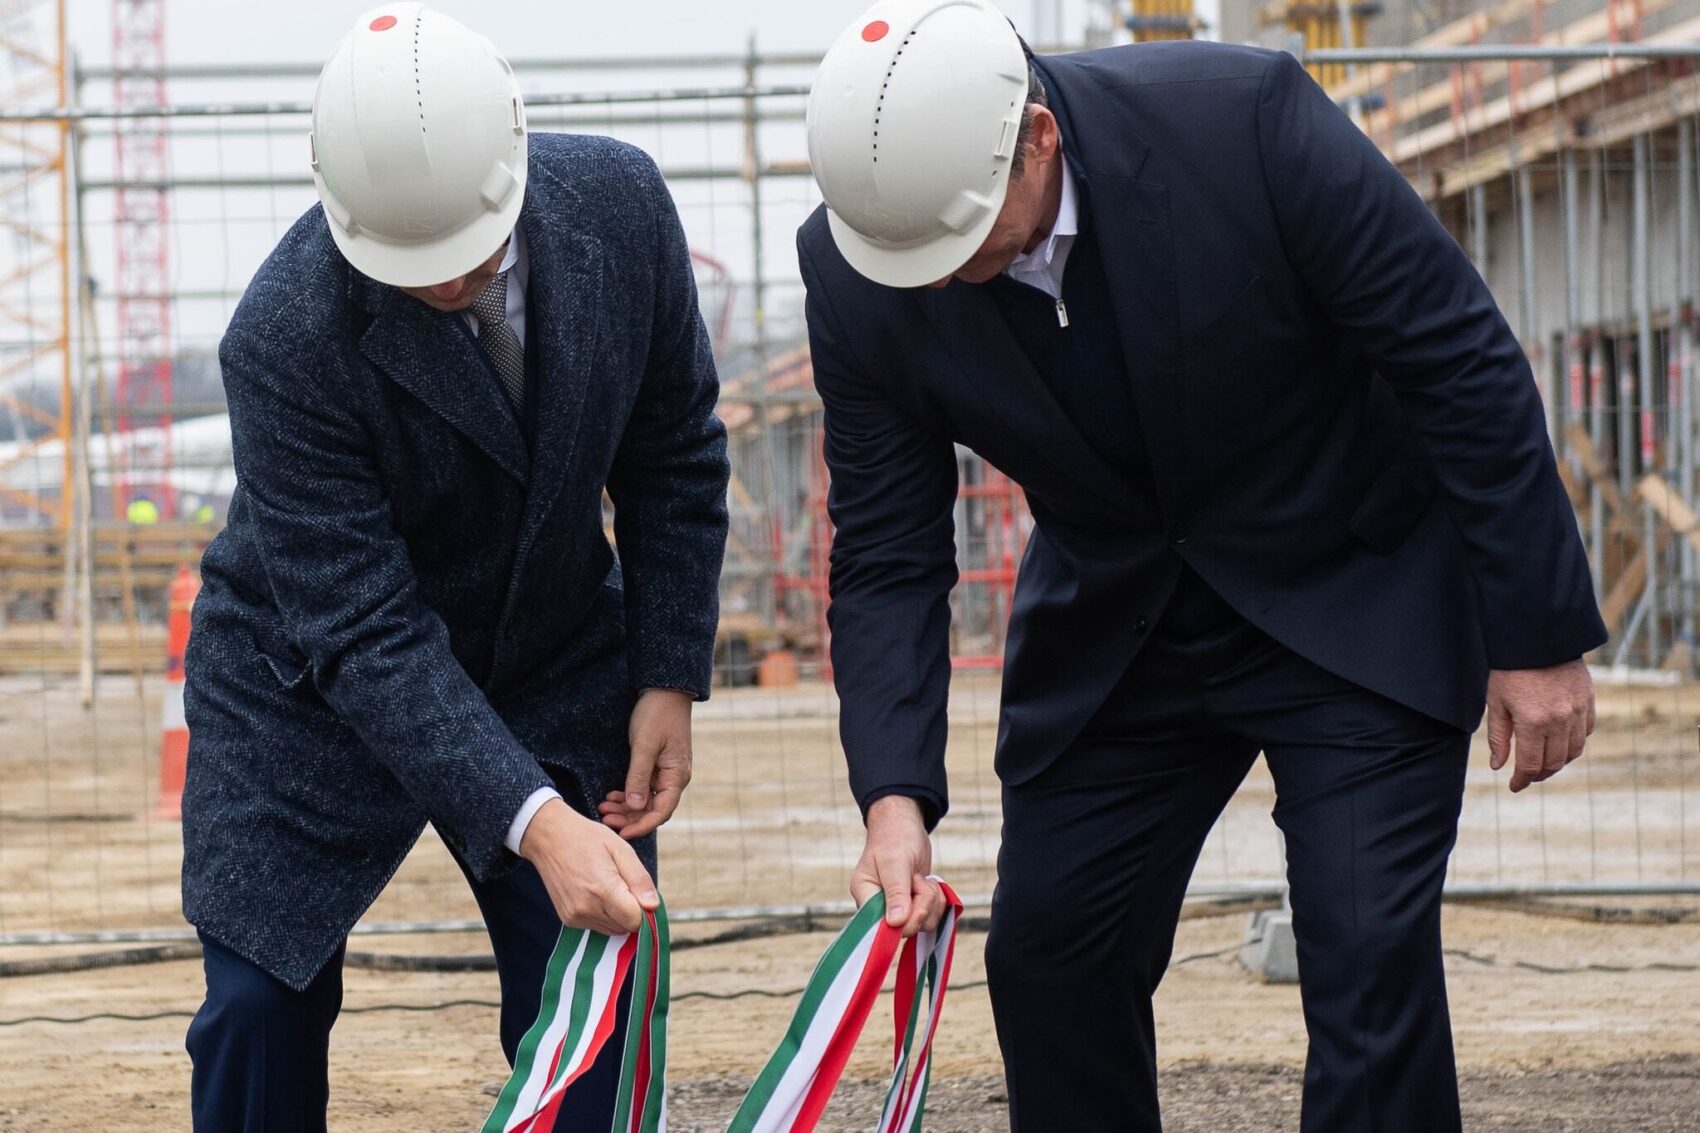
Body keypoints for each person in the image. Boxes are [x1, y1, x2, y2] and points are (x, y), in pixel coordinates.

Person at [797, 3, 1604, 1130]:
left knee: (1365, 954)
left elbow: (1454, 356)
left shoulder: (1244, 124)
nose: (933, 283)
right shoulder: (861, 264)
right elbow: (888, 547)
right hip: (1119, 624)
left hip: (1349, 582)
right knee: (1048, 958)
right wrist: (892, 795)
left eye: (959, 242)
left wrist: (1537, 634)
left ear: (1038, 140)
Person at [179, 5, 728, 1130]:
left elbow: (675, 451)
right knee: (256, 1004)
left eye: (467, 255)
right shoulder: (282, 335)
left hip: (550, 650)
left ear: (513, 163)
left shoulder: (621, 209)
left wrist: (667, 672)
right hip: (309, 680)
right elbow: (365, 632)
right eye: (410, 262)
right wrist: (536, 821)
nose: (444, 284)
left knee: (593, 988)